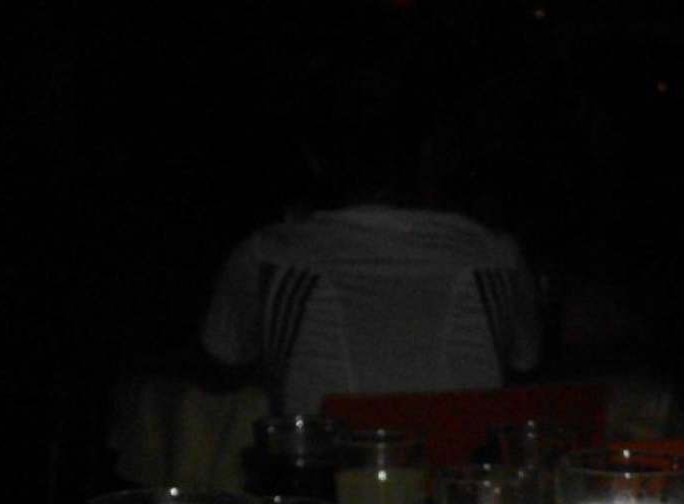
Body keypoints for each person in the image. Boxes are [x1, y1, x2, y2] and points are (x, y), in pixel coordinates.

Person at [198, 89, 541, 414]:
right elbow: (526, 371)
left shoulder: (267, 257)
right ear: (428, 153)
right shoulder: (497, 256)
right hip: (461, 456)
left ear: (314, 157)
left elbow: (217, 373)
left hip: (326, 457)